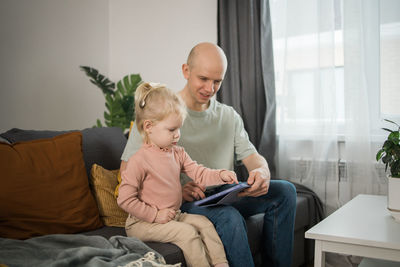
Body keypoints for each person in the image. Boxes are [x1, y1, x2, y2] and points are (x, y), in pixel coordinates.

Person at [120, 43, 297, 267]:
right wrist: (174, 190)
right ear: (186, 71)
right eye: (203, 79)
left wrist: (261, 171)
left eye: (217, 81)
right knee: (228, 217)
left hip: (223, 191)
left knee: (285, 192)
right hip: (185, 202)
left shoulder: (228, 116)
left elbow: (252, 157)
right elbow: (126, 173)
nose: (210, 88)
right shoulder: (158, 114)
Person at [117, 82, 239, 267]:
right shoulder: (139, 160)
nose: (177, 135)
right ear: (149, 126)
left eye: (179, 129)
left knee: (205, 224)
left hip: (173, 214)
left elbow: (199, 172)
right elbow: (124, 199)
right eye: (172, 130)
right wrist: (155, 215)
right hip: (143, 223)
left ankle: (221, 264)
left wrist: (220, 175)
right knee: (187, 233)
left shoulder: (178, 153)